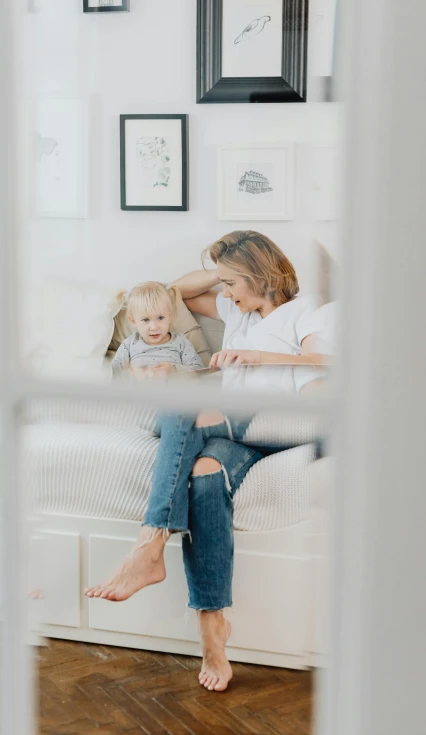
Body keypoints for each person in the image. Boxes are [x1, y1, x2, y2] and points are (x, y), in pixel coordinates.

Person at [85, 231, 328, 692]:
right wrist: (221, 270)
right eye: (224, 282)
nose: (226, 293)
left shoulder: (307, 309)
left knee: (181, 404)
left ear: (260, 275)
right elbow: (177, 292)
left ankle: (149, 544)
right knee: (203, 476)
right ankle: (212, 627)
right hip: (229, 430)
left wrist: (259, 357)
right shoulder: (237, 310)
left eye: (234, 282)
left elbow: (324, 362)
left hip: (274, 424)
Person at [111, 282, 204, 380]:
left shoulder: (180, 341)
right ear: (133, 321)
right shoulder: (129, 344)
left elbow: (199, 371)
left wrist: (174, 370)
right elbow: (113, 375)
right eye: (146, 320)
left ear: (169, 317)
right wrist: (131, 375)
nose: (154, 327)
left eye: (160, 318)